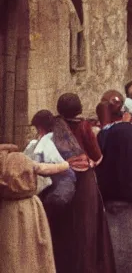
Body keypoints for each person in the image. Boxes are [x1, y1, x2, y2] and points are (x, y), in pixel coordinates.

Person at [52, 92, 116, 273]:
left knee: (65, 226)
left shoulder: (55, 127)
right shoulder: (83, 127)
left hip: (60, 177)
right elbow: (97, 156)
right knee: (86, 227)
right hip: (83, 183)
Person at [0, 144, 70, 273]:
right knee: (32, 248)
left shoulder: (4, 164)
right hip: (29, 209)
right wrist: (66, 164)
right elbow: (45, 168)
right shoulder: (24, 161)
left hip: (7, 210)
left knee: (11, 250)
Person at [96, 94, 132, 273]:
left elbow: (98, 163)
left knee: (112, 245)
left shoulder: (104, 134)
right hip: (131, 197)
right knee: (131, 247)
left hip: (109, 198)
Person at [24, 109, 77, 270]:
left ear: (40, 128)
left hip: (55, 193)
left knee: (51, 235)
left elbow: (36, 166)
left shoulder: (44, 142)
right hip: (68, 191)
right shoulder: (62, 139)